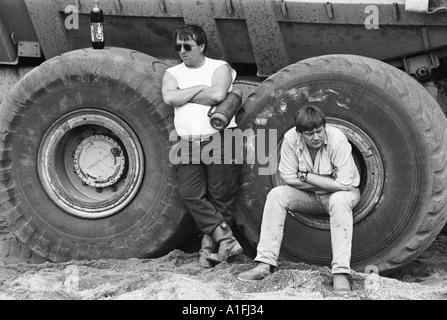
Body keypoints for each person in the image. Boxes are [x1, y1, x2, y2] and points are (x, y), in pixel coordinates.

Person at [237, 105, 361, 294]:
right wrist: (325, 183)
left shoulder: (337, 139)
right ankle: (265, 264)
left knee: (339, 200)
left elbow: (344, 185)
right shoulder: (290, 139)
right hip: (311, 197)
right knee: (277, 194)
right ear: (300, 133)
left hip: (343, 195)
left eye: (319, 131)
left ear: (324, 127)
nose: (316, 137)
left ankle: (341, 274)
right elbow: (288, 177)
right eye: (310, 134)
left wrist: (306, 177)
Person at [161, 24, 243, 268]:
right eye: (178, 47)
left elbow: (218, 95)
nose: (182, 51)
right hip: (186, 143)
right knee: (190, 193)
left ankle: (207, 251)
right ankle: (226, 239)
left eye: (188, 46)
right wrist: (199, 89)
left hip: (222, 139)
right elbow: (168, 97)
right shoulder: (172, 72)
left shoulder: (219, 67)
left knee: (221, 198)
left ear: (202, 46)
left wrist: (183, 95)